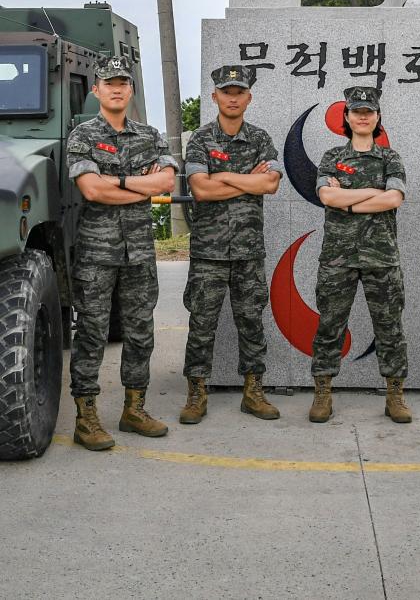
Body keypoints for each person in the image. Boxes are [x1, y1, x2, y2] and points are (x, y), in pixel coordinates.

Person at [66, 55, 177, 451]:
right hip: (97, 254)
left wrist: (117, 180)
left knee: (140, 333)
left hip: (139, 254)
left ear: (130, 90)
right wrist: (138, 184)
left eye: (122, 83)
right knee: (92, 335)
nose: (116, 88)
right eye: (108, 82)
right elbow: (91, 190)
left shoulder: (149, 135)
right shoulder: (82, 136)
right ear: (95, 89)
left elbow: (165, 182)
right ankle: (87, 417)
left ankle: (134, 409)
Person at [180, 64, 282, 424]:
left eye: (239, 91)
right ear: (215, 97)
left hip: (249, 250)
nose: (233, 97)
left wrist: (221, 175)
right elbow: (201, 189)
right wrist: (242, 179)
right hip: (208, 252)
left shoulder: (261, 139)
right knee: (202, 324)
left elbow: (270, 184)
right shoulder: (200, 139)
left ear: (248, 97)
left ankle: (253, 392)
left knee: (252, 321)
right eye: (227, 91)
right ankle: (196, 393)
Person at [309, 86, 411, 424]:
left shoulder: (390, 158)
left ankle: (394, 393)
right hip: (338, 257)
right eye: (356, 111)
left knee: (390, 327)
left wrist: (349, 198)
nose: (363, 116)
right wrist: (372, 194)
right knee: (329, 326)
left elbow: (394, 199)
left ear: (378, 117)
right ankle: (323, 390)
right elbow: (326, 197)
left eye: (369, 111)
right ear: (347, 117)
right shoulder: (331, 157)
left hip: (381, 257)